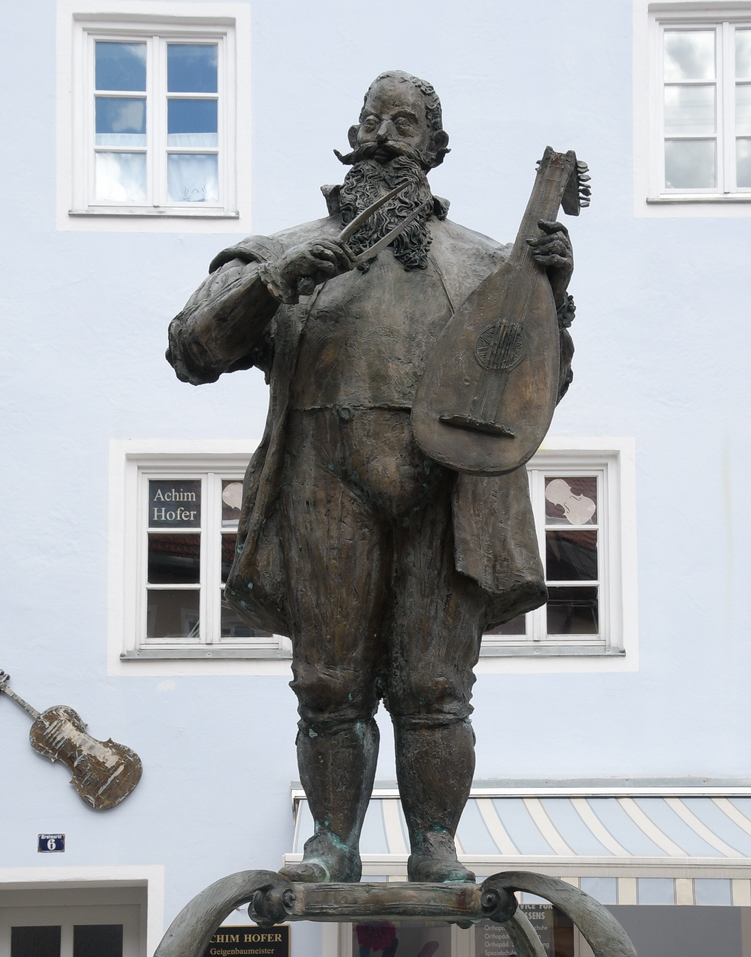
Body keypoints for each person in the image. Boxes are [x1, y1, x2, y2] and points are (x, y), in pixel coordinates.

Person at [167, 71, 575, 884]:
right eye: (372, 122)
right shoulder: (284, 251)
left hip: (450, 488)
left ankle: (434, 846)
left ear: (435, 149)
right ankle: (330, 846)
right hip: (327, 476)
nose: (386, 136)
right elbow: (192, 349)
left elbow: (536, 387)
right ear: (350, 137)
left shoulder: (490, 263)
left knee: (434, 686)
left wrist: (550, 296)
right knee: (326, 683)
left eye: (406, 125)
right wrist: (275, 282)